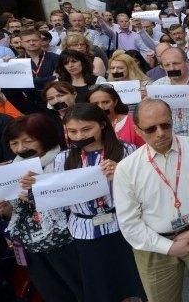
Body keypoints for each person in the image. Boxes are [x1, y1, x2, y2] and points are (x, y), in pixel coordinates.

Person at [20, 104, 145, 302]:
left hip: (123, 226)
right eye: (72, 131)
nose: (79, 136)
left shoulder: (127, 150)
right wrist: (35, 187)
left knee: (133, 281)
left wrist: (122, 173)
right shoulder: (62, 159)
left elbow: (146, 189)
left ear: (102, 125)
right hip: (85, 231)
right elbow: (55, 198)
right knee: (100, 286)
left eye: (86, 129)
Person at [113, 99, 189, 302]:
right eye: (151, 128)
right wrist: (170, 247)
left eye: (165, 125)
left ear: (173, 121)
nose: (160, 133)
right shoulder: (127, 169)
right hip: (154, 245)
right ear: (137, 130)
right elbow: (130, 223)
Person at [0, 114, 84, 302]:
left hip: (69, 246)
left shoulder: (68, 161)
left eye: (28, 141)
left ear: (46, 138)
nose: (21, 149)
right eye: (14, 143)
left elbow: (77, 202)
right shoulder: (12, 170)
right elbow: (16, 213)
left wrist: (37, 194)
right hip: (33, 251)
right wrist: (4, 209)